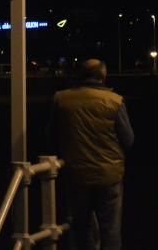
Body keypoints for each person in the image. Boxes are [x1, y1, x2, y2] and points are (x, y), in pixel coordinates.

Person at [46, 58, 134, 250]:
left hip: (76, 174)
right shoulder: (115, 101)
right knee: (110, 230)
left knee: (81, 228)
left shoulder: (61, 99)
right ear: (103, 76)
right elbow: (128, 139)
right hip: (109, 174)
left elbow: (51, 136)